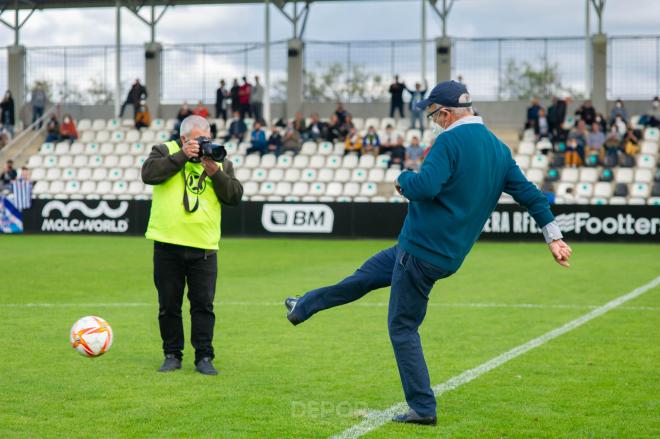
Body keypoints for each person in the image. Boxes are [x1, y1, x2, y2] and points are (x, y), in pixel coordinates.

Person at [283, 80, 571, 427]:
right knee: (364, 277)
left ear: (447, 113)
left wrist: (403, 178)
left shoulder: (449, 141)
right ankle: (304, 306)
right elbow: (531, 195)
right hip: (436, 252)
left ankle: (422, 407)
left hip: (421, 252)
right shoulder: (498, 149)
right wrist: (553, 237)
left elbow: (425, 187)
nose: (432, 120)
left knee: (402, 327)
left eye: (433, 114)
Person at [141, 115, 243, 375]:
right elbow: (149, 174)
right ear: (184, 138)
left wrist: (215, 173)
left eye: (206, 139)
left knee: (203, 305)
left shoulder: (219, 160)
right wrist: (182, 156)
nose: (202, 145)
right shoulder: (165, 150)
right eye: (197, 140)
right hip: (167, 243)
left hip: (204, 246)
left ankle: (204, 357)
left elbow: (235, 196)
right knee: (169, 305)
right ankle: (172, 354)